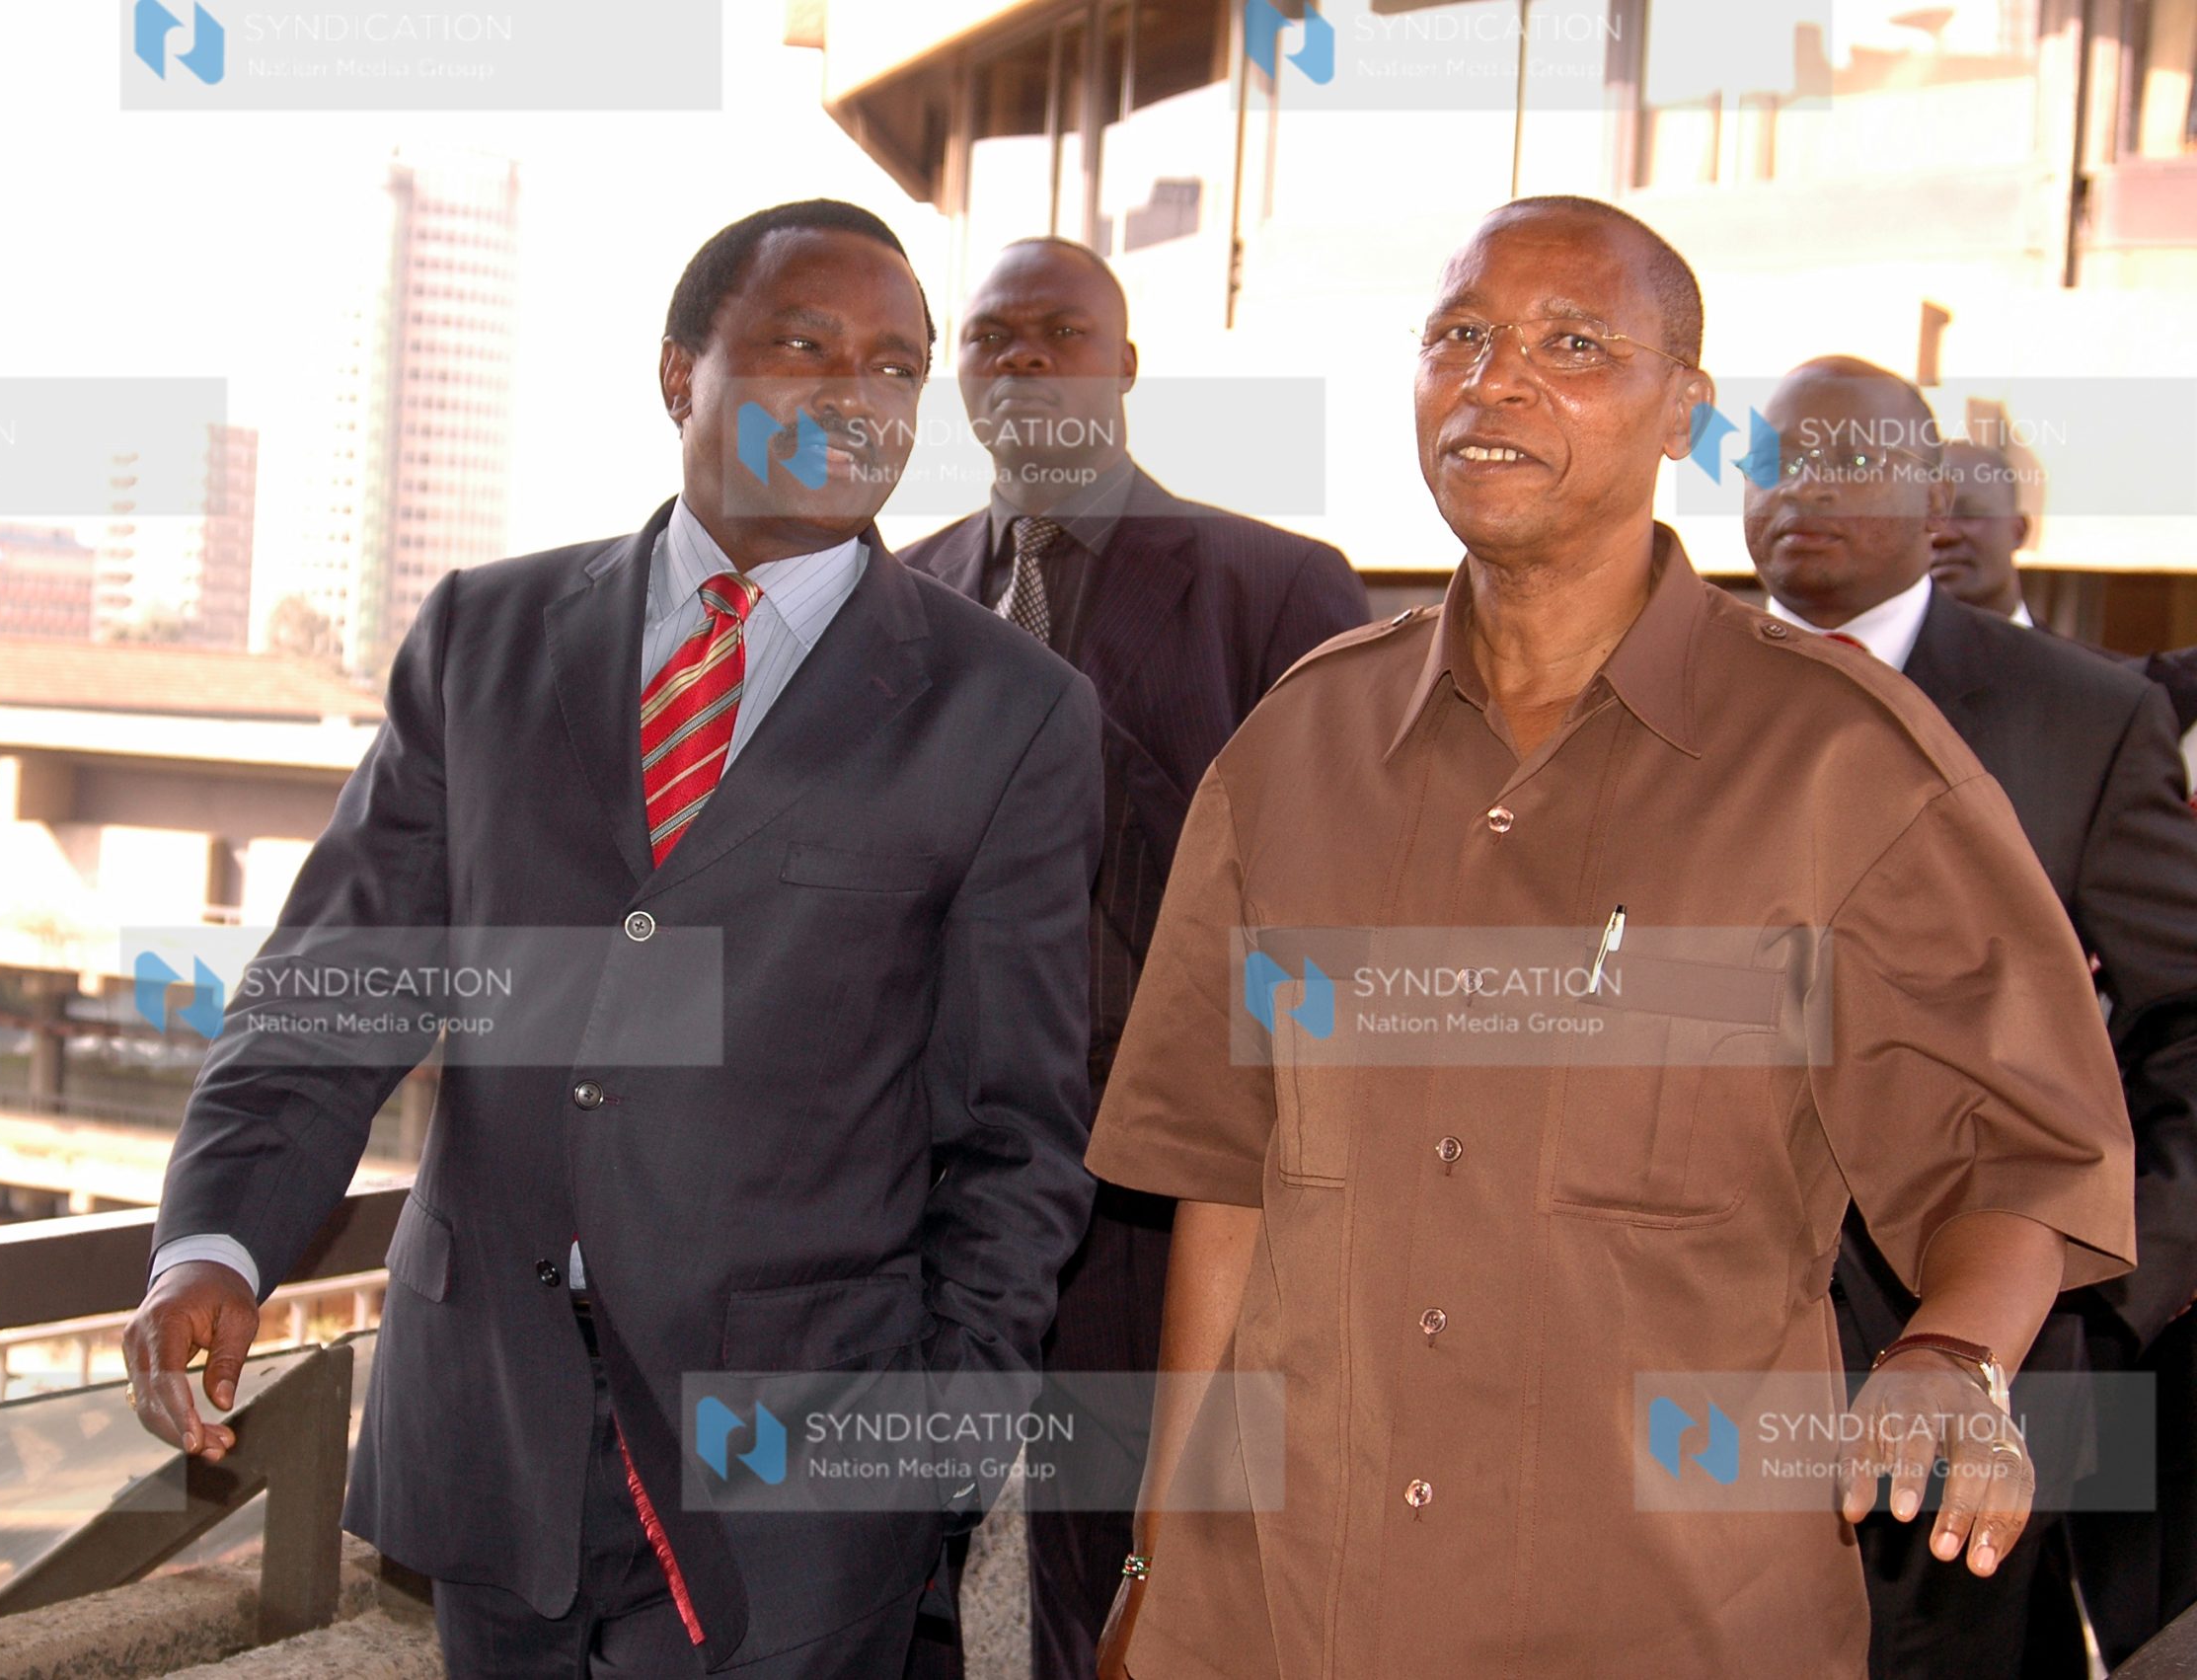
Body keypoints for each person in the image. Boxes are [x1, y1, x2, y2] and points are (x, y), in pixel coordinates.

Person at [1085, 195, 2137, 1680]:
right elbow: (1226, 1191)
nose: (1494, 380)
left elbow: (2013, 1142)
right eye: (1460, 336)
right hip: (1294, 1614)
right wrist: (1161, 1558)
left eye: (1571, 344)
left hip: (1671, 1620)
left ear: (1686, 412)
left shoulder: (1841, 764)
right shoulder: (1293, 747)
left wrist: (1950, 1357)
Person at [120, 198, 1105, 1680]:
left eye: (898, 367)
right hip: (490, 1439)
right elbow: (336, 990)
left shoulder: (1007, 710)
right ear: (678, 374)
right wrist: (216, 1239)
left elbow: (1019, 1136)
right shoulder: (482, 638)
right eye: (802, 345)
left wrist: (931, 1457)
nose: (859, 394)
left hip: (798, 1487)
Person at [897, 236, 1369, 1680]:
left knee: (1120, 1587)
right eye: (992, 339)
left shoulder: (1275, 587)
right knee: (890, 1554)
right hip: (923, 1182)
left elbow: (1330, 896)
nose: (1025, 361)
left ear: (1125, 364)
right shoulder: (892, 594)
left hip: (1157, 1192)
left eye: (1060, 334)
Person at [1749, 355, 2197, 1675]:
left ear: (1933, 490)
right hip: (1668, 1379)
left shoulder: (2081, 714)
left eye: (1848, 457)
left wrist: (2114, 1283)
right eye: (1775, 459)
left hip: (1971, 1380)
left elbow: (2185, 1012)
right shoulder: (1666, 695)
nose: (1803, 490)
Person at [1929, 439, 2035, 623]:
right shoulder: (1878, 651)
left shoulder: (2070, 652)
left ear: (2018, 530)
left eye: (1969, 512)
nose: (1942, 535)